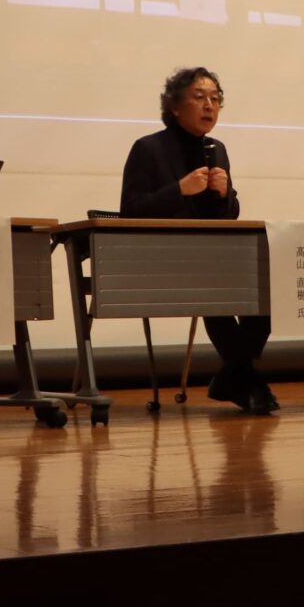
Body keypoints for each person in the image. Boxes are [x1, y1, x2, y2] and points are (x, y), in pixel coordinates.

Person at [119, 67, 276, 415]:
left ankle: (235, 375)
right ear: (175, 107)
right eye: (200, 97)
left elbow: (227, 216)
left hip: (212, 256)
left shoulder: (216, 149)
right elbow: (130, 210)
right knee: (212, 287)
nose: (209, 105)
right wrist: (178, 190)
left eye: (215, 99)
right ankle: (247, 381)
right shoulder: (148, 148)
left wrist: (224, 194)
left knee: (267, 286)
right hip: (163, 259)